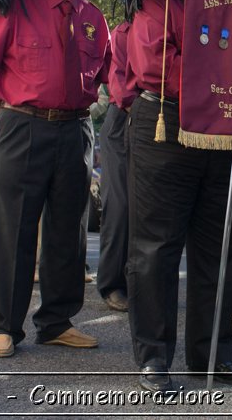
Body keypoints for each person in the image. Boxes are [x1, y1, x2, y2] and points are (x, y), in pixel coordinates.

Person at [118, 0, 232, 392]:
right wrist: (228, 84)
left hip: (226, 129)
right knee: (155, 247)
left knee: (221, 249)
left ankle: (213, 355)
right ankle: (154, 357)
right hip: (166, 123)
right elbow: (157, 63)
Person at [0, 0, 110, 359]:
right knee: (14, 229)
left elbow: (104, 78)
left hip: (76, 132)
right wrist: (9, 114)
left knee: (69, 230)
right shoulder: (17, 5)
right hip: (22, 127)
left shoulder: (94, 18)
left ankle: (56, 321)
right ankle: (4, 325)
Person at [96, 21, 133, 312]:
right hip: (124, 120)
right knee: (119, 206)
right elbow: (118, 84)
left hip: (159, 124)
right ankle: (111, 284)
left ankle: (140, 280)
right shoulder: (124, 32)